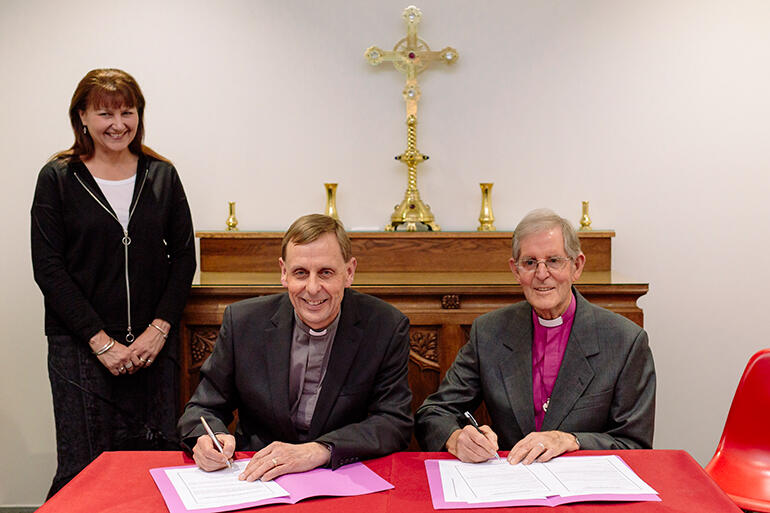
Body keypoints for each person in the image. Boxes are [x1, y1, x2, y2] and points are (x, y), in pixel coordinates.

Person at [31, 69, 196, 497]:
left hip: (153, 349)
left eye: (128, 111)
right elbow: (48, 268)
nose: (118, 123)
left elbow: (183, 258)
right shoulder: (58, 178)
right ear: (82, 116)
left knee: (156, 467)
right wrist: (100, 342)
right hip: (79, 349)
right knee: (82, 473)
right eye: (105, 112)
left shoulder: (161, 174)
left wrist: (158, 330)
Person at [178, 214, 413, 481]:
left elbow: (394, 422)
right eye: (300, 273)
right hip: (257, 477)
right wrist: (211, 439)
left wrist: (320, 450)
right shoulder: (243, 322)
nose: (312, 288)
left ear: (349, 272)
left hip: (340, 474)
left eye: (326, 272)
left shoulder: (385, 326)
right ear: (283, 273)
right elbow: (202, 409)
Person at [415, 208, 655, 465]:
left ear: (577, 266)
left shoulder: (625, 341)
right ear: (516, 271)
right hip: (512, 483)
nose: (541, 274)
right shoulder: (490, 332)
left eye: (554, 261)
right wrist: (457, 437)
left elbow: (635, 445)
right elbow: (434, 412)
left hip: (584, 490)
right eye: (530, 263)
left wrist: (570, 440)